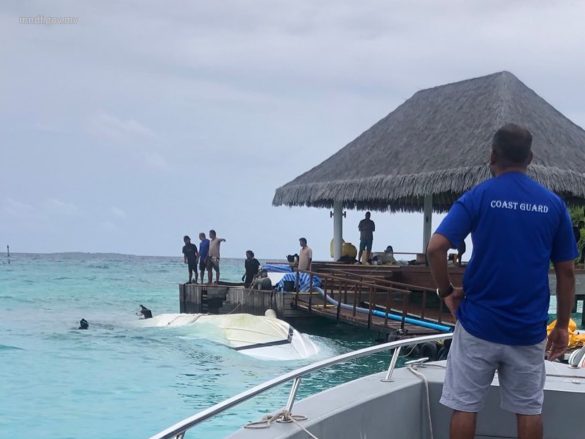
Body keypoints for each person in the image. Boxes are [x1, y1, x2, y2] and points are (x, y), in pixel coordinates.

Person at [427, 123, 577, 439]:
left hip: (478, 325)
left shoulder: (479, 196)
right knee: (529, 410)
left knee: (464, 407)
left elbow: (436, 248)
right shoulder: (552, 204)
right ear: (530, 158)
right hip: (527, 329)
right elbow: (566, 271)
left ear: (492, 156)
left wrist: (446, 291)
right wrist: (563, 325)